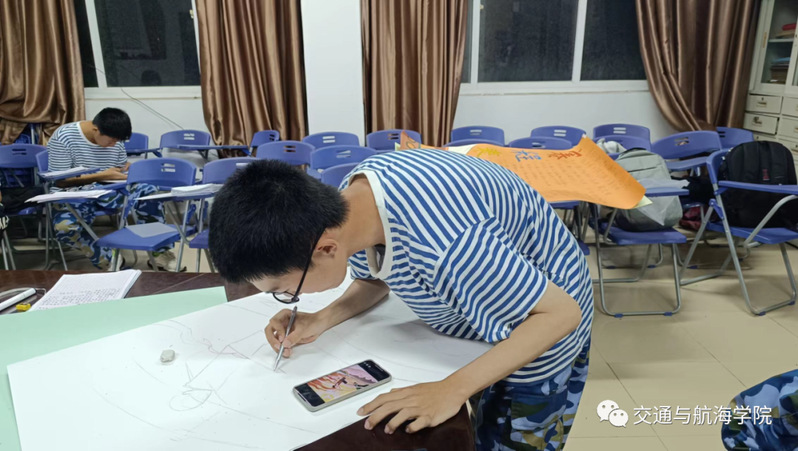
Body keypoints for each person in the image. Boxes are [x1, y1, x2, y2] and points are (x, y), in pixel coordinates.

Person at [209, 148, 593, 450]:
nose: (288, 298)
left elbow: (559, 315)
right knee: (476, 416)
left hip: (539, 327)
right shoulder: (352, 202)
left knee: (509, 433)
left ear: (325, 249)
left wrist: (452, 388)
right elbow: (376, 278)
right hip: (492, 311)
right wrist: (320, 318)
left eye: (285, 290)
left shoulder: (449, 246)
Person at [46, 108, 182, 270]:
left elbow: (119, 166)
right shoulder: (64, 137)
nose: (114, 145)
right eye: (111, 141)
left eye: (118, 141)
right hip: (73, 193)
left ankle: (160, 253)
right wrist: (101, 175)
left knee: (149, 191)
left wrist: (127, 169)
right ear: (95, 130)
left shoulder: (114, 139)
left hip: (109, 189)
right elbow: (60, 181)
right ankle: (107, 257)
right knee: (65, 228)